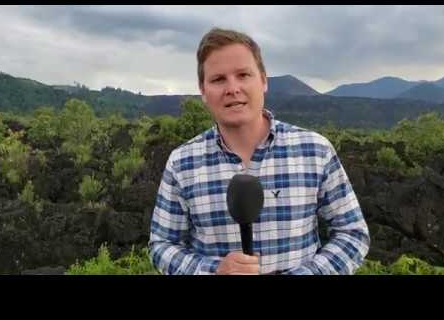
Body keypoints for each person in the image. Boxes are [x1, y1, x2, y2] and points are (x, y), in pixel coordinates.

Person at [148, 27, 370, 275]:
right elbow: (162, 245)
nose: (232, 88)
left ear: (263, 81)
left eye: (243, 75)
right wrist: (213, 271)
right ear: (203, 91)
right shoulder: (182, 163)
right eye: (218, 79)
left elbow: (352, 233)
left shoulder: (315, 151)